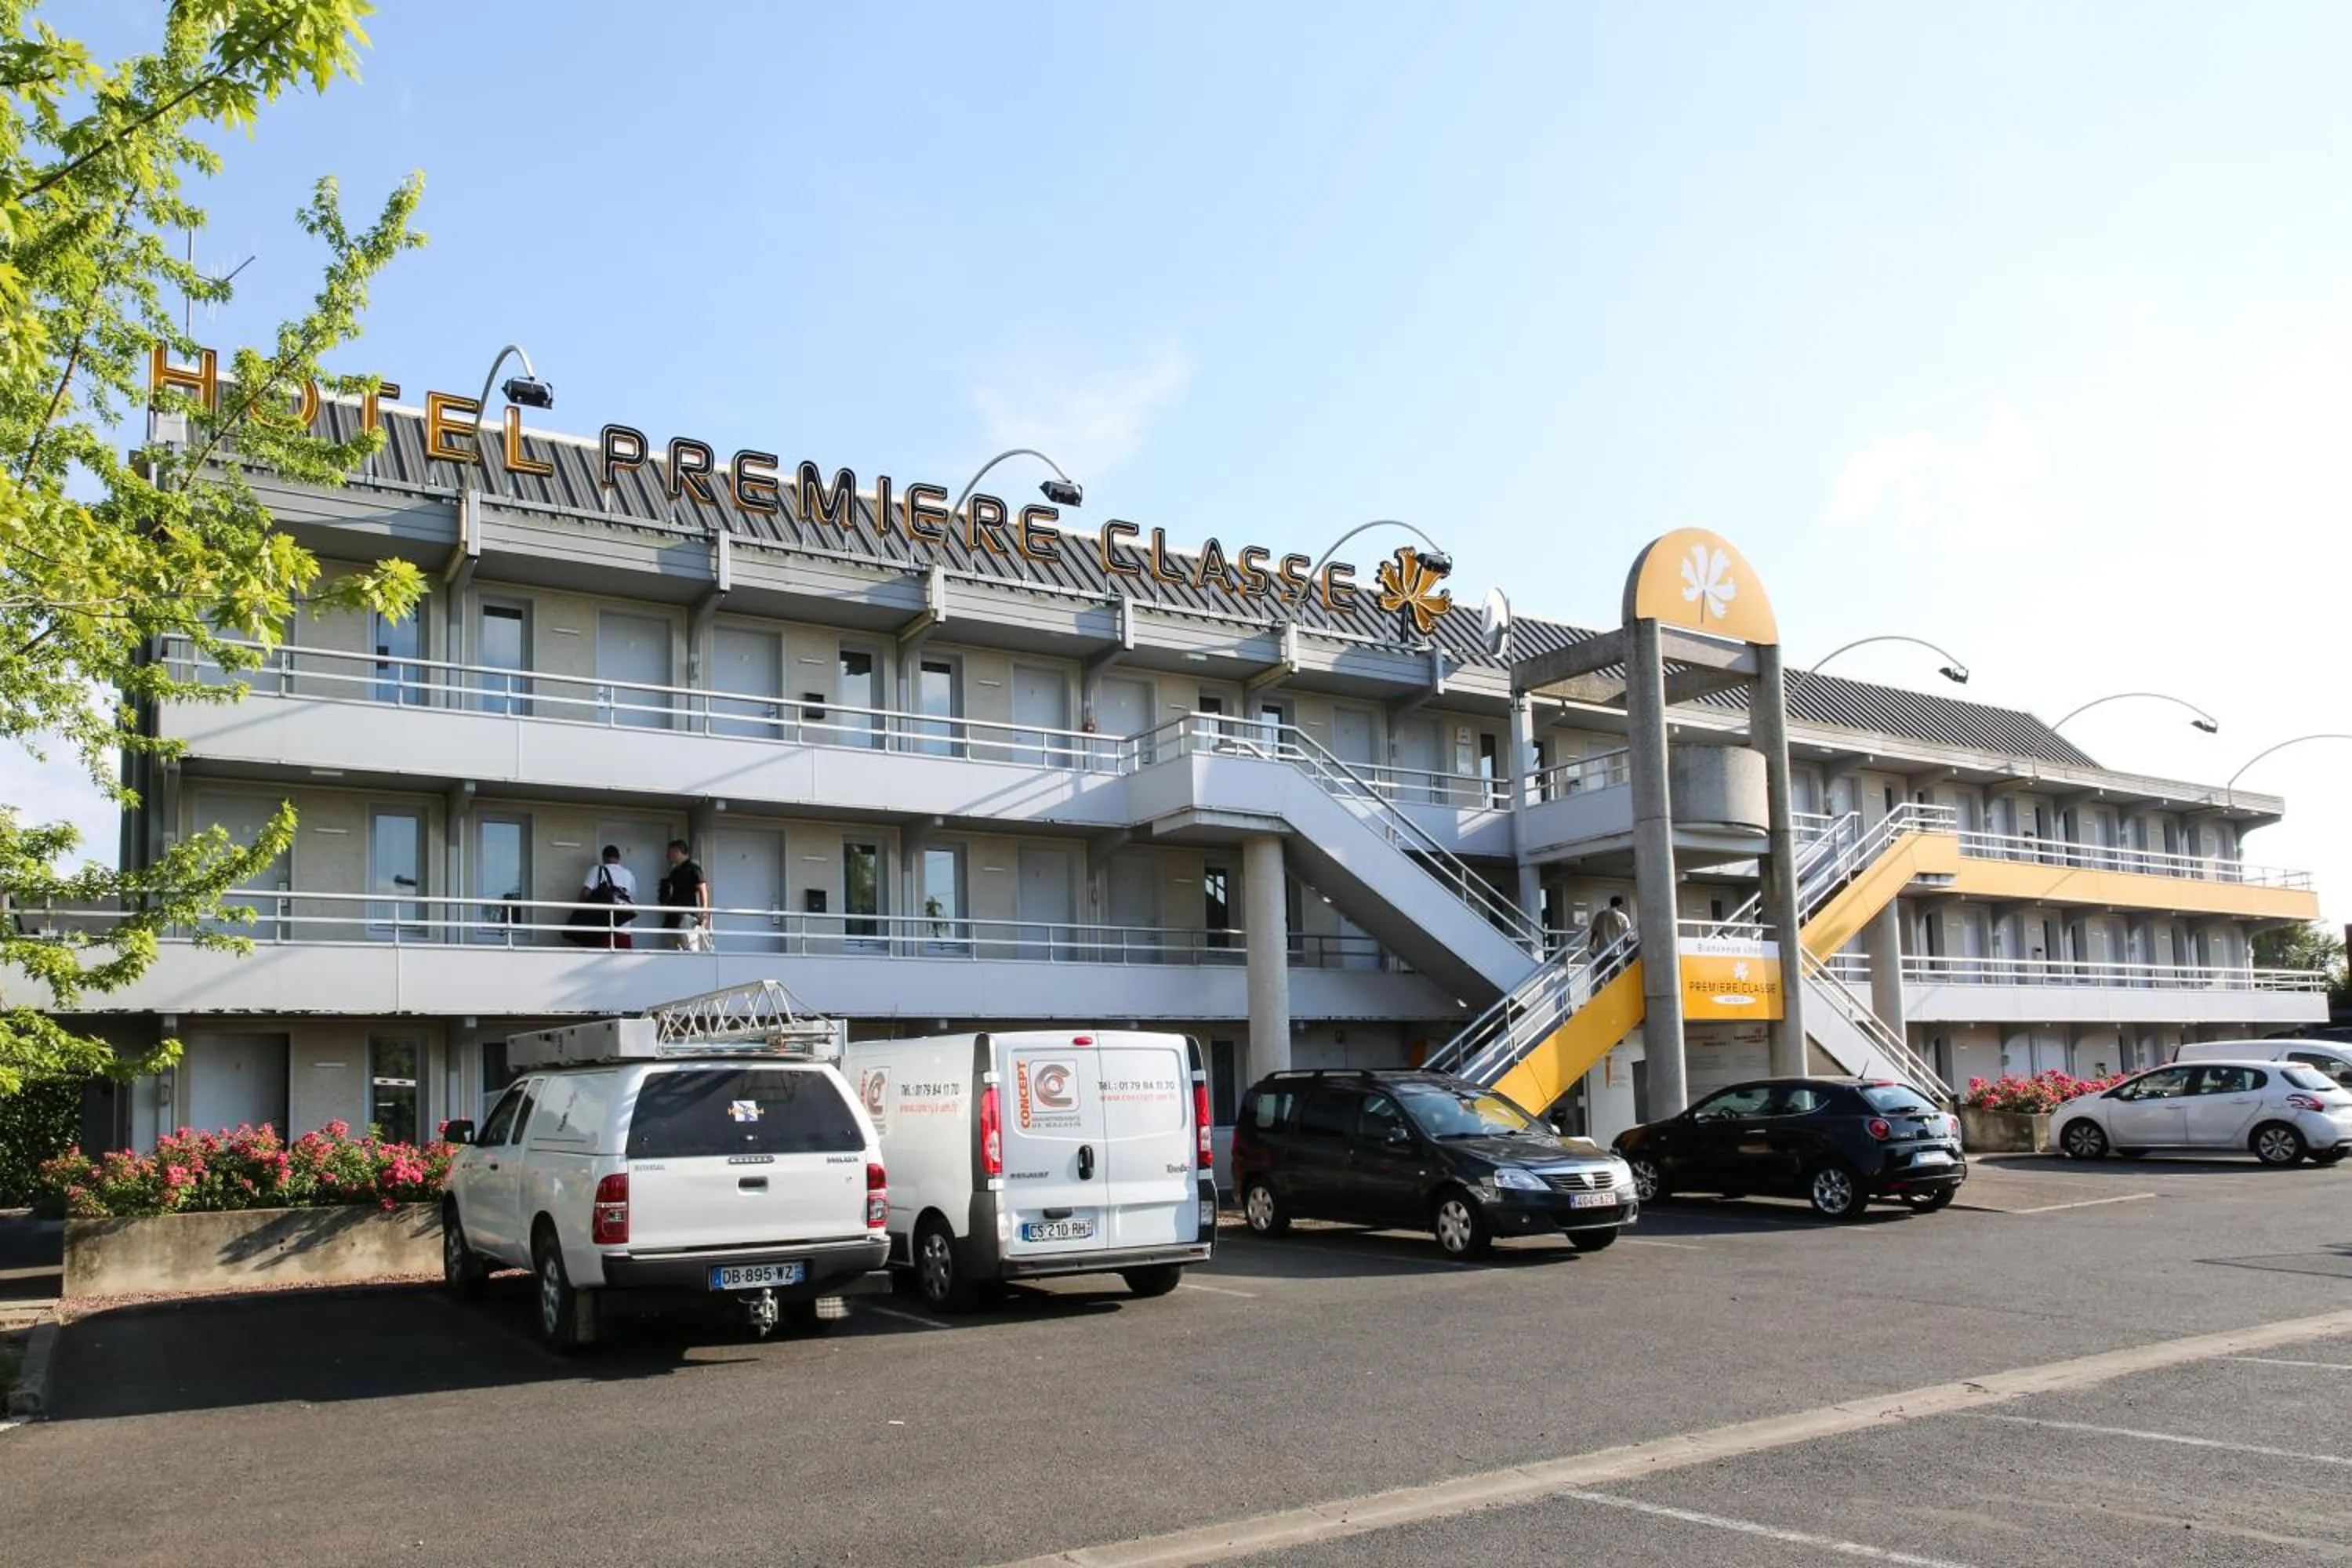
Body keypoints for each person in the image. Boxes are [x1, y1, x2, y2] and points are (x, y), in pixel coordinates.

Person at [581, 845, 637, 950]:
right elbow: (632, 897)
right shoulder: (629, 874)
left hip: (602, 927)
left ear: (604, 857)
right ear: (619, 858)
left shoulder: (598, 870)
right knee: (624, 962)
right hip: (624, 928)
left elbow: (585, 893)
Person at [659, 838, 711, 952]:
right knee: (672, 949)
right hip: (673, 916)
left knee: (689, 948)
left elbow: (703, 889)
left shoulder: (693, 869)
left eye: (670, 852)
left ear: (677, 851)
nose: (667, 856)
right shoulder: (674, 872)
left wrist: (704, 913)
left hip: (686, 915)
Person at [1587, 895, 1632, 961]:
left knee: (1602, 970)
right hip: (1616, 951)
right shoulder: (1622, 917)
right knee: (1616, 970)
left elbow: (1594, 932)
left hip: (1601, 950)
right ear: (1620, 905)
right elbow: (1627, 934)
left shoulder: (1600, 915)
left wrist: (1590, 946)